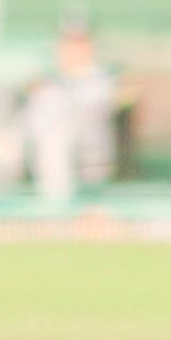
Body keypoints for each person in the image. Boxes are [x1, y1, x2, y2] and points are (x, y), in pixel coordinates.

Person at [24, 11, 124, 201]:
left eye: (81, 43)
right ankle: (55, 210)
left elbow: (97, 105)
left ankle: (61, 208)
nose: (75, 50)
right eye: (69, 43)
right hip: (48, 165)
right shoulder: (46, 83)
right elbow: (34, 127)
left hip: (92, 162)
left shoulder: (103, 79)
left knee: (58, 136)